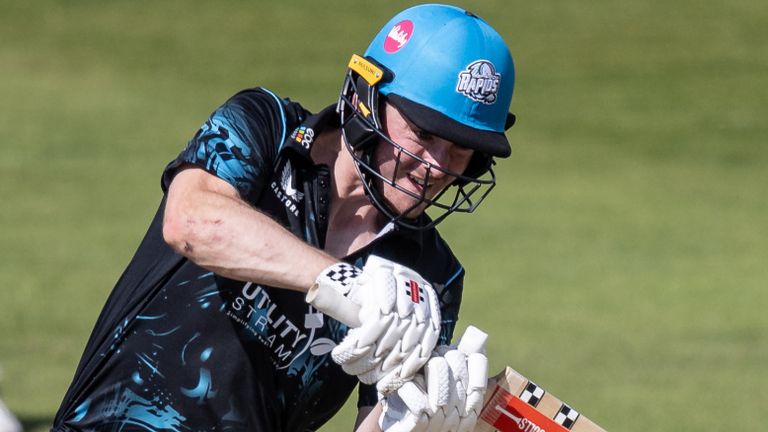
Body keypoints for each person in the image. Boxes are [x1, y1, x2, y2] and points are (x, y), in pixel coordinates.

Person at [52, 4, 516, 431]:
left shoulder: (431, 278)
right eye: (423, 132)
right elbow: (191, 222)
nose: (437, 166)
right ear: (367, 98)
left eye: (462, 149)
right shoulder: (266, 128)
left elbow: (376, 421)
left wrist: (416, 422)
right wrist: (343, 283)